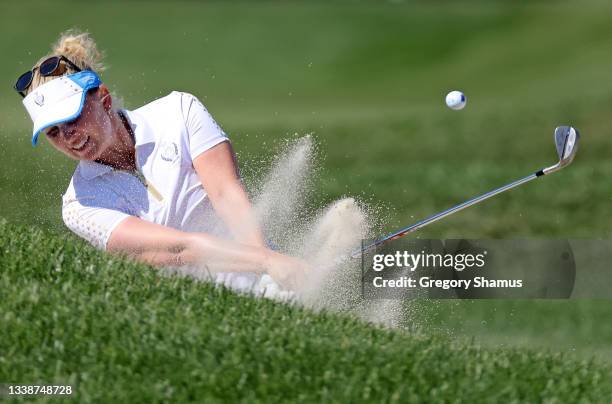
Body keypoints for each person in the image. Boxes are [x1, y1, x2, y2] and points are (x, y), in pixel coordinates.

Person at [15, 30, 308, 292]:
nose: (68, 136)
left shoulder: (179, 110)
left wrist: (268, 268)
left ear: (103, 99)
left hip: (270, 272)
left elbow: (227, 194)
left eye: (73, 117)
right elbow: (178, 249)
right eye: (53, 132)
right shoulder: (80, 204)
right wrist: (266, 262)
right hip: (203, 314)